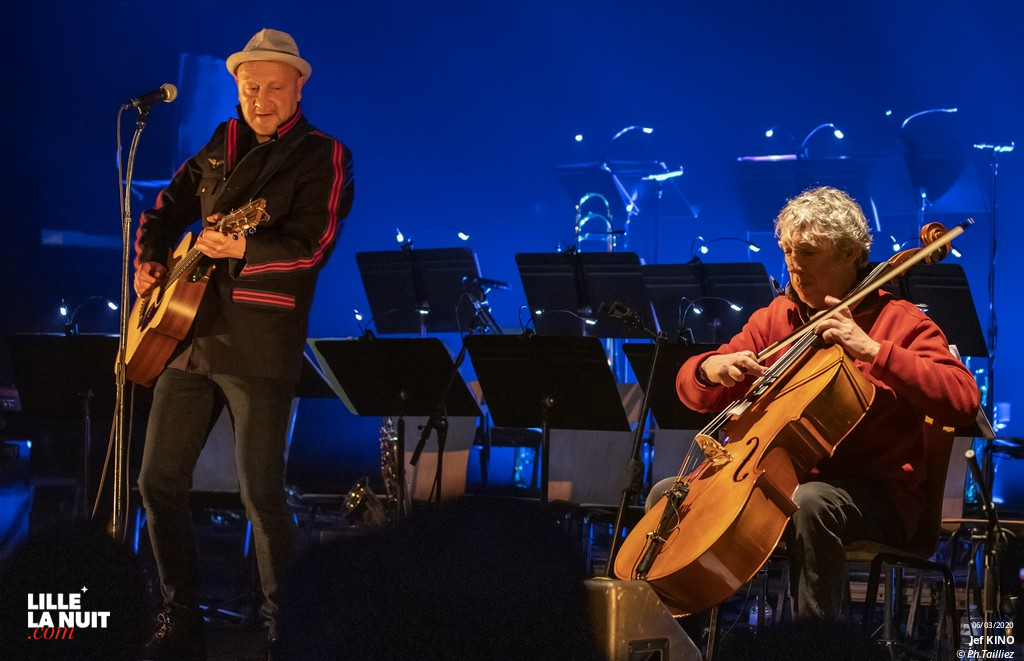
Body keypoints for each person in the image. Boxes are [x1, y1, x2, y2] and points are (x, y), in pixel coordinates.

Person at [133, 28, 353, 660]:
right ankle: (180, 619)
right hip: (186, 334)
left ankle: (287, 630)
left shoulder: (323, 154)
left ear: (299, 88)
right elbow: (165, 209)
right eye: (251, 87)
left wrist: (244, 248)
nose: (260, 99)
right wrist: (151, 260)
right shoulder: (220, 142)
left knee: (261, 495)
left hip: (260, 340)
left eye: (273, 88)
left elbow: (312, 247)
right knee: (157, 482)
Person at [675, 186, 978, 619]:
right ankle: (687, 639)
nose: (793, 265)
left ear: (850, 252)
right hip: (775, 485)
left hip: (874, 497)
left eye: (808, 252)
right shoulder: (776, 319)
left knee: (811, 502)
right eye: (787, 250)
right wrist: (710, 368)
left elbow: (963, 400)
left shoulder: (901, 322)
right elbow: (693, 392)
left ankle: (816, 644)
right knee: (673, 499)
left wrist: (874, 351)